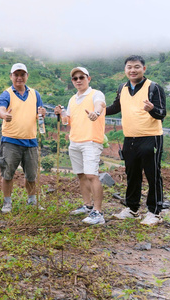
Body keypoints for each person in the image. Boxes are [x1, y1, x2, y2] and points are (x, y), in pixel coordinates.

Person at [105, 55, 167, 226]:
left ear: (144, 69)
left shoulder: (154, 88)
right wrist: (100, 111)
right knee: (132, 174)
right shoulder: (122, 88)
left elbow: (162, 113)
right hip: (130, 138)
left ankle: (154, 212)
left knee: (153, 174)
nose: (133, 70)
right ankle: (132, 209)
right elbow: (116, 107)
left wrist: (152, 109)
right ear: (125, 70)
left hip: (151, 137)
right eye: (129, 67)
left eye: (137, 67)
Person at [53, 67, 107, 225]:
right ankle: (87, 205)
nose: (78, 80)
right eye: (75, 78)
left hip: (91, 140)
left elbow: (100, 105)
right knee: (81, 175)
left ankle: (98, 212)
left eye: (81, 77)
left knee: (92, 175)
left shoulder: (95, 94)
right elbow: (67, 121)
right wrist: (60, 113)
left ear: (88, 78)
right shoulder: (72, 99)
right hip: (75, 141)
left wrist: (95, 113)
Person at [0, 63, 46, 213]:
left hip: (31, 140)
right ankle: (7, 202)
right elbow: (1, 109)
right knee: (8, 173)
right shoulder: (7, 94)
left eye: (22, 74)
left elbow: (40, 113)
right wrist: (5, 115)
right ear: (11, 76)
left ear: (27, 76)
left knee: (31, 174)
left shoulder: (34, 94)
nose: (19, 78)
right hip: (11, 141)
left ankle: (32, 200)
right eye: (16, 75)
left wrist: (42, 113)